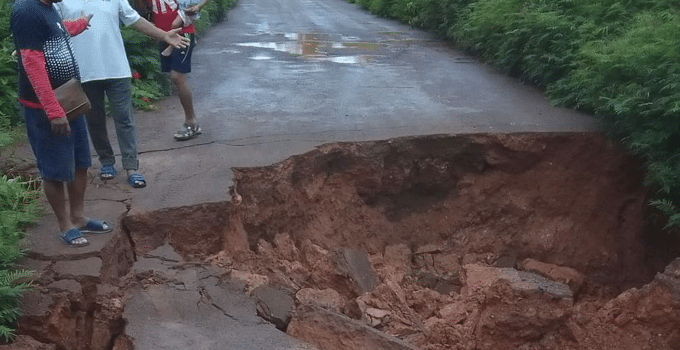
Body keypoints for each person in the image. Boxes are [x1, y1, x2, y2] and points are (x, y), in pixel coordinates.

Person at [54, 0, 190, 188]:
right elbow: (52, 27)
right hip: (84, 72)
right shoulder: (61, 2)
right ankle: (106, 161)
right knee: (95, 120)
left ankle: (131, 167)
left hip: (117, 69)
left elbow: (135, 20)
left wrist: (164, 35)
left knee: (124, 119)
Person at [10, 0, 112, 247]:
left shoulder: (48, 7)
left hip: (69, 99)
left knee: (80, 162)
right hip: (44, 108)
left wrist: (78, 25)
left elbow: (56, 31)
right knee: (54, 169)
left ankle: (78, 217)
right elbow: (32, 64)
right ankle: (65, 225)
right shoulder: (26, 10)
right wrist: (54, 111)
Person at [145, 0, 209, 141]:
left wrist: (198, 6)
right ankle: (191, 121)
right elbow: (141, 11)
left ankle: (191, 122)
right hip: (162, 35)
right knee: (174, 78)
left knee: (177, 76)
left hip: (183, 34)